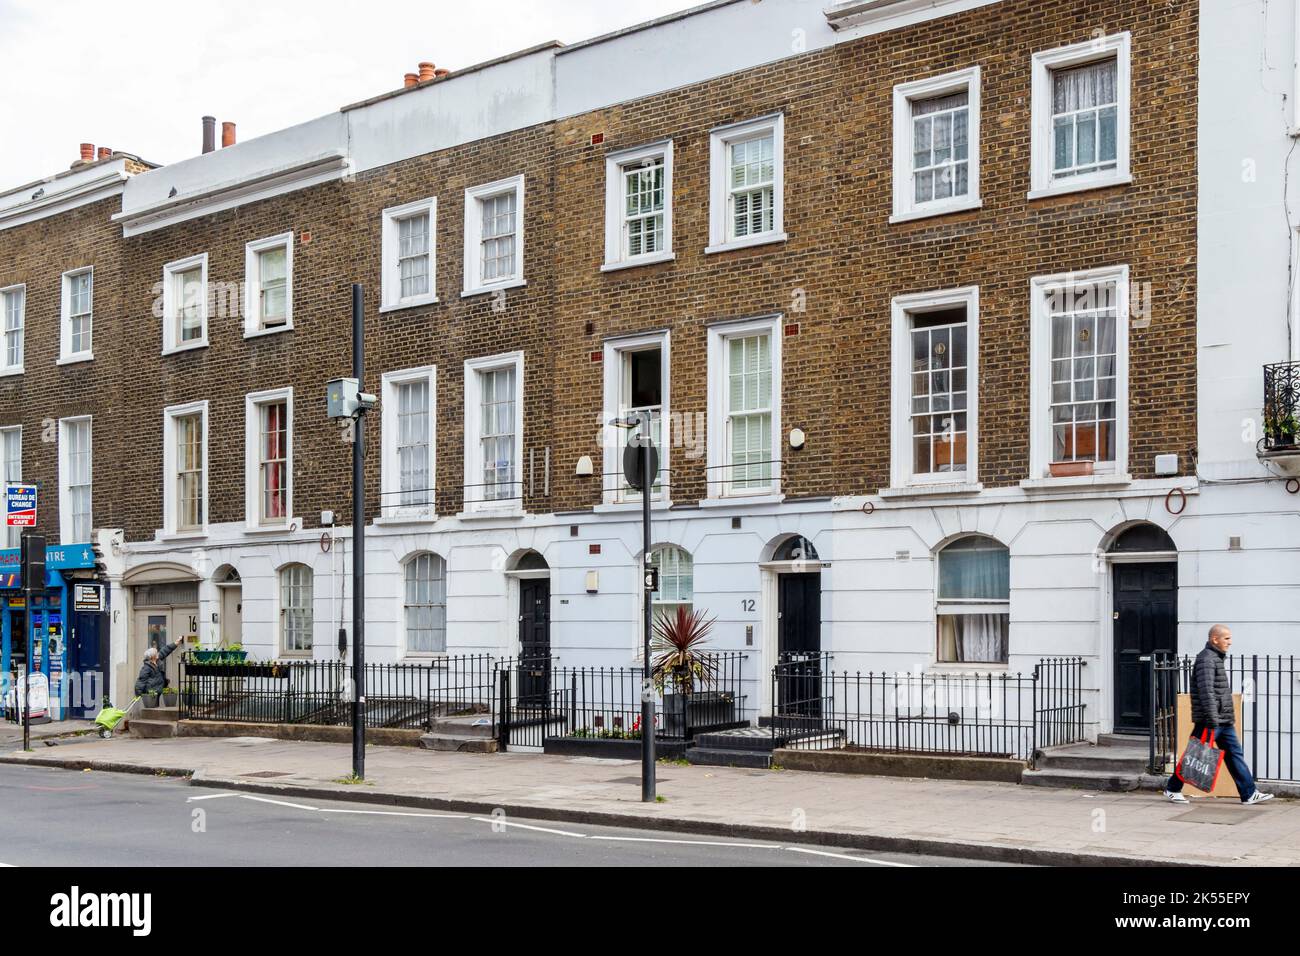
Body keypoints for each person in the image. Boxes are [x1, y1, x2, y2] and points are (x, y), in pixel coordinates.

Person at [1164, 624, 1273, 805]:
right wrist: (1212, 719)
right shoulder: (1206, 659)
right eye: (1227, 638)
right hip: (1211, 720)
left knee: (1234, 754)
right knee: (1195, 756)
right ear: (1215, 639)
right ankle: (1172, 788)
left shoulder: (1215, 658)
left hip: (1223, 720)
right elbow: (1206, 691)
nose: (1230, 642)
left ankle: (1249, 793)